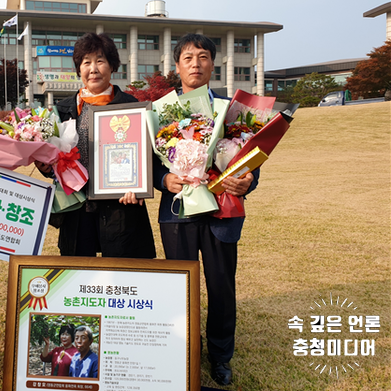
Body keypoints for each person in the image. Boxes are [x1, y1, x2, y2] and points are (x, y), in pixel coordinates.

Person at [153, 34, 259, 386]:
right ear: (176, 66)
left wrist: (248, 181)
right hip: (177, 214)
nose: (195, 63)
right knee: (179, 290)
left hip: (222, 213)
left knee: (221, 288)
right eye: (187, 57)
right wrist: (163, 179)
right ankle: (182, 351)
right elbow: (152, 163)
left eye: (202, 57)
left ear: (213, 63)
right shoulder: (163, 111)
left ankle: (220, 355)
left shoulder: (232, 109)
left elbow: (250, 160)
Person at [36, 32, 156, 258]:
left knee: (121, 275)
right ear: (79, 69)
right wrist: (47, 167)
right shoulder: (62, 111)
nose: (93, 69)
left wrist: (140, 184)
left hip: (121, 208)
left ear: (112, 66)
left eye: (100, 61)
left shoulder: (133, 108)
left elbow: (148, 156)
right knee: (80, 276)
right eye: (86, 62)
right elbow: (54, 159)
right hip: (77, 209)